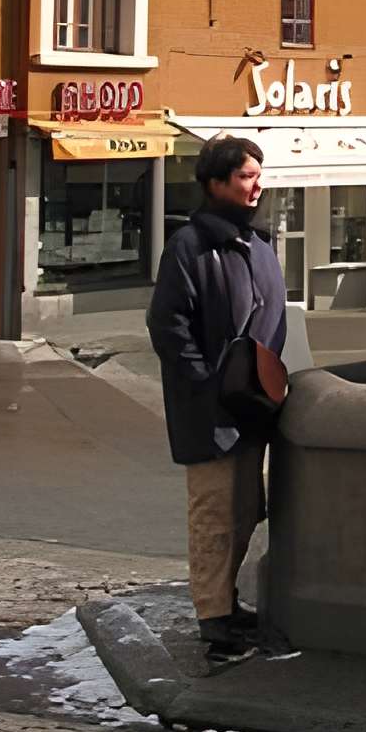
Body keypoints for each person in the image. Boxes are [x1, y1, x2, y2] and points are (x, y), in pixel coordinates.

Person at [147, 134, 287, 659]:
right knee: (213, 516)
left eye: (258, 175)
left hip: (253, 406)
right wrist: (207, 382)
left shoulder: (258, 245)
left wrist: (265, 383)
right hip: (209, 411)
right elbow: (168, 325)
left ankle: (225, 604)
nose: (257, 186)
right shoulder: (189, 247)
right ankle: (213, 617)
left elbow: (272, 322)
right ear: (215, 183)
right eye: (246, 177)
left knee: (246, 511)